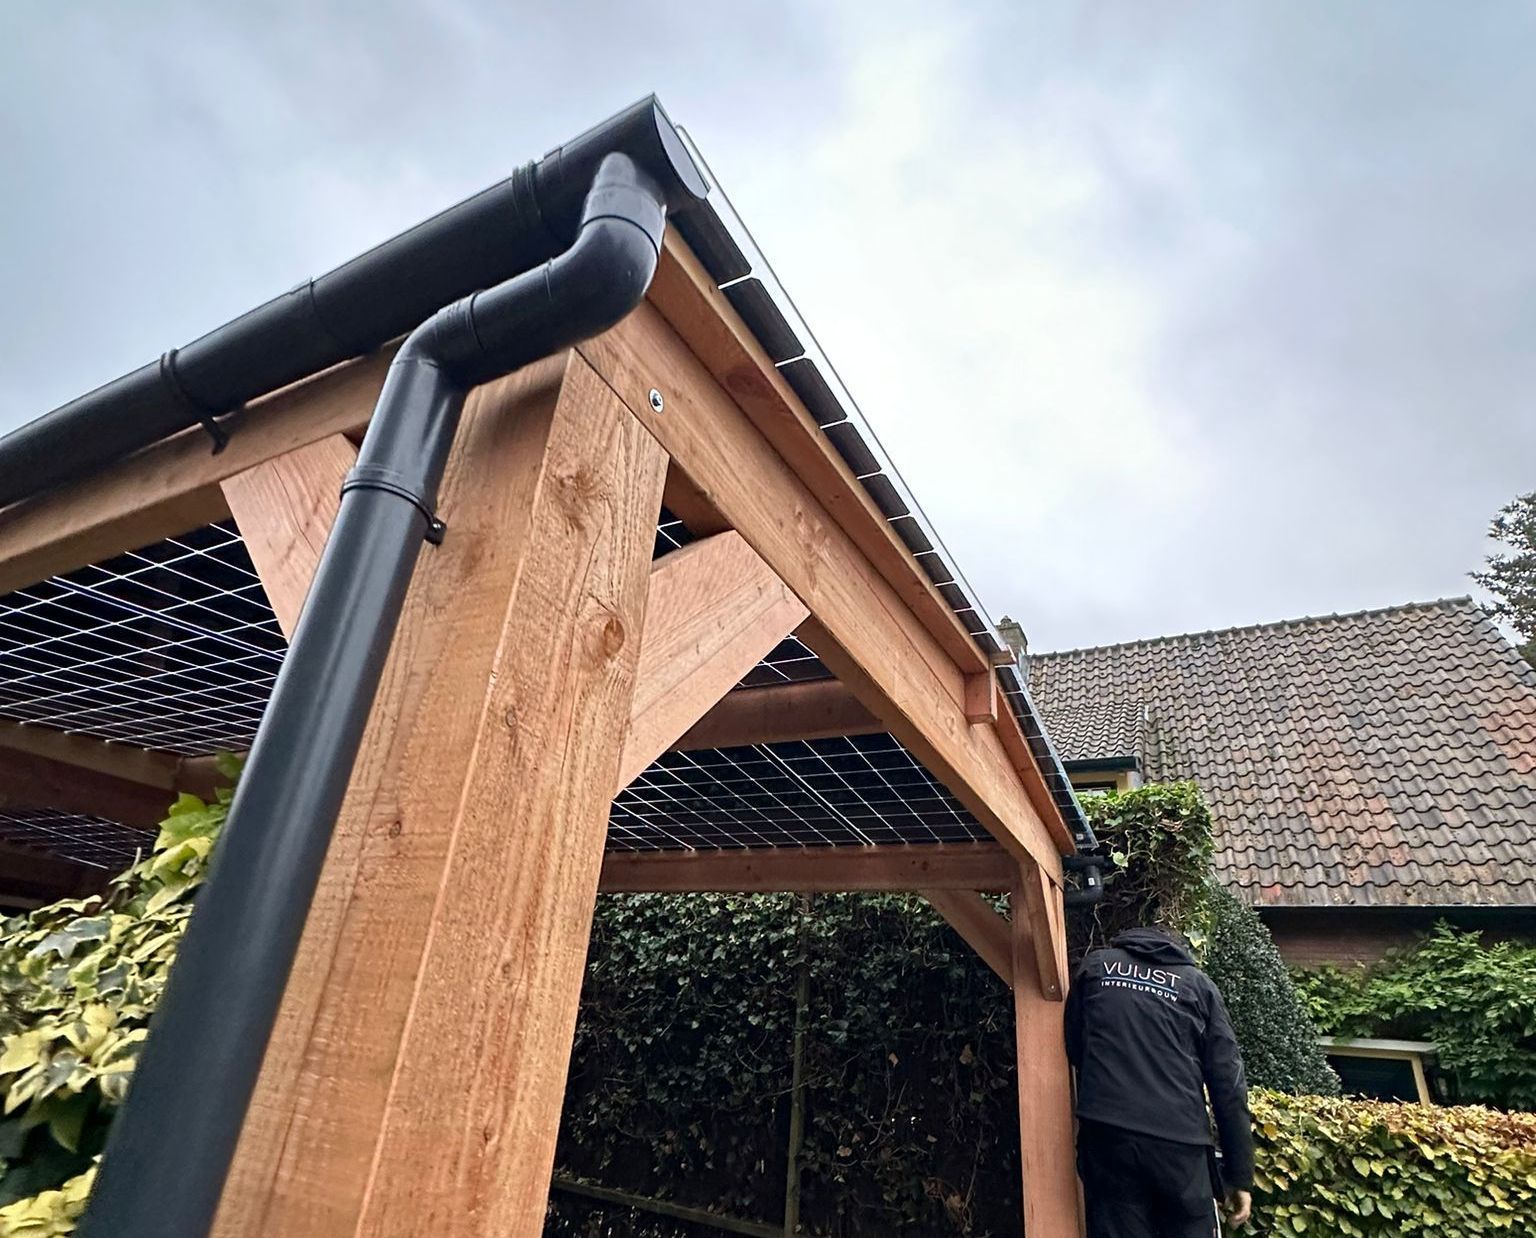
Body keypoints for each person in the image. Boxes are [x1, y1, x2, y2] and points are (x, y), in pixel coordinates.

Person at [1065, 926, 1254, 1237]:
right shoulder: (1198, 986)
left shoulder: (1097, 967)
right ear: (1176, 948)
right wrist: (1240, 1175)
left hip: (1109, 1135)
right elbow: (1229, 1085)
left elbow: (1075, 1047)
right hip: (1180, 1144)